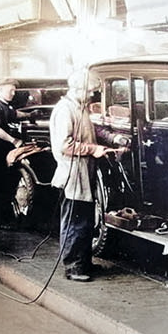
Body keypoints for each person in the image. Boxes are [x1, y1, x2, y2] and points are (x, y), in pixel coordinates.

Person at [49, 69, 129, 282]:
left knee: (84, 221)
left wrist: (114, 139)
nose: (93, 95)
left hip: (84, 173)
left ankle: (83, 262)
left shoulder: (79, 107)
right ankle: (73, 267)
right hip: (72, 175)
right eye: (91, 91)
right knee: (75, 222)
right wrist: (93, 150)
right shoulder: (65, 110)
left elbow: (94, 130)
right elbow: (65, 145)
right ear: (79, 89)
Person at [0, 78, 34, 227]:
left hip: (0, 147)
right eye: (11, 90)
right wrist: (14, 141)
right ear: (0, 90)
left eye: (15, 91)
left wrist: (30, 115)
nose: (13, 93)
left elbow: (14, 114)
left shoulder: (5, 105)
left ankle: (3, 217)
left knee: (4, 182)